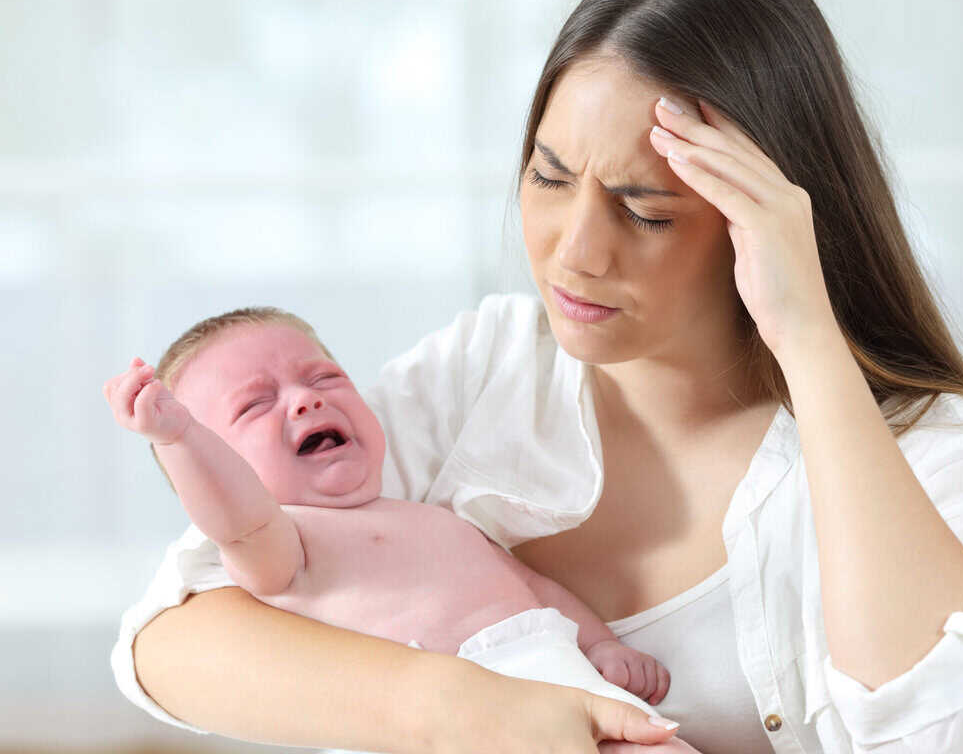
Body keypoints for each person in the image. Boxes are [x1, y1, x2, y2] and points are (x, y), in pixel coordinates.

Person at [111, 0, 963, 752]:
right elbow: (167, 639)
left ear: (767, 218)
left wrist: (811, 339)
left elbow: (961, 735)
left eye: (644, 211)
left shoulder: (934, 453)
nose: (575, 252)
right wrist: (464, 709)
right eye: (548, 176)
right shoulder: (487, 371)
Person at [102, 307, 694, 752]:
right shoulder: (283, 545)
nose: (305, 400)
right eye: (254, 405)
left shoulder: (437, 515)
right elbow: (234, 520)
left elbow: (535, 591)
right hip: (454, 724)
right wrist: (178, 439)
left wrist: (600, 645)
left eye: (324, 378)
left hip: (564, 683)